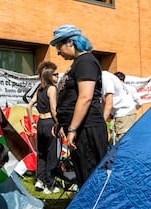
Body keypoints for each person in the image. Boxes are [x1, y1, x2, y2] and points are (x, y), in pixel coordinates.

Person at [50, 25, 108, 187]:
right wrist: (61, 122)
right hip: (79, 128)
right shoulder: (78, 63)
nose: (58, 52)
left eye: (58, 46)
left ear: (70, 42)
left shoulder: (86, 62)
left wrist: (73, 129)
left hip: (87, 128)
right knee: (83, 173)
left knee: (90, 174)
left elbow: (85, 98)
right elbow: (71, 98)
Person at [26, 61, 61, 194]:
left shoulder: (40, 89)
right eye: (55, 74)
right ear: (49, 75)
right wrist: (59, 124)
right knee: (52, 154)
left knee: (41, 154)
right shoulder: (52, 89)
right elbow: (53, 108)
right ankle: (49, 184)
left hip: (40, 123)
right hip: (50, 123)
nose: (57, 76)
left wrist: (32, 123)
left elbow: (28, 106)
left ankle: (40, 180)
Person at [105, 71, 142, 142]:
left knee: (121, 138)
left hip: (122, 114)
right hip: (131, 114)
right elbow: (140, 103)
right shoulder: (131, 88)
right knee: (129, 136)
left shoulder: (115, 87)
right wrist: (132, 110)